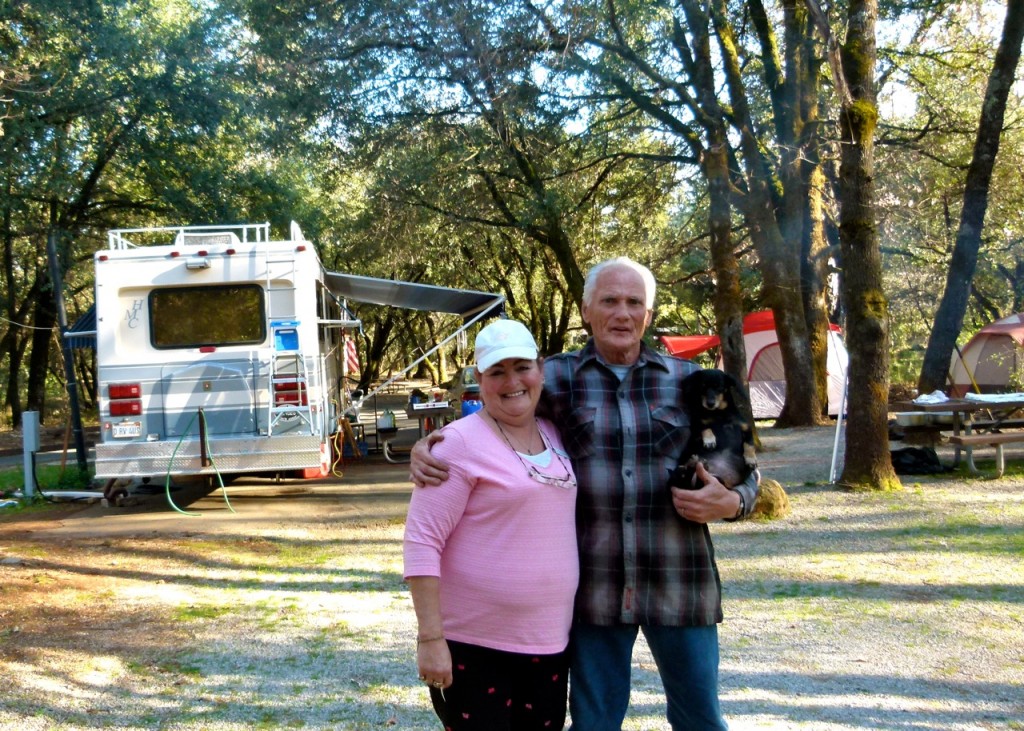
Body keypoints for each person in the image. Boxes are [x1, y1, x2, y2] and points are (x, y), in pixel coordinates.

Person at [411, 257, 760, 730]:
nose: (622, 313)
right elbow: (499, 408)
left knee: (701, 719)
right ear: (586, 310)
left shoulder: (691, 382)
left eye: (634, 302)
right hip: (595, 592)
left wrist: (735, 501)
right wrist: (431, 443)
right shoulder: (553, 377)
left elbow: (746, 460)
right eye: (609, 301)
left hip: (681, 580)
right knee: (595, 723)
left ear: (649, 315)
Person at [403, 318, 579, 731]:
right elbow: (422, 542)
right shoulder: (457, 443)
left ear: (541, 369)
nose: (512, 381)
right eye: (497, 371)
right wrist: (430, 638)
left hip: (551, 642)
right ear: (479, 379)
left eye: (522, 367)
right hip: (475, 645)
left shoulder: (556, 432)